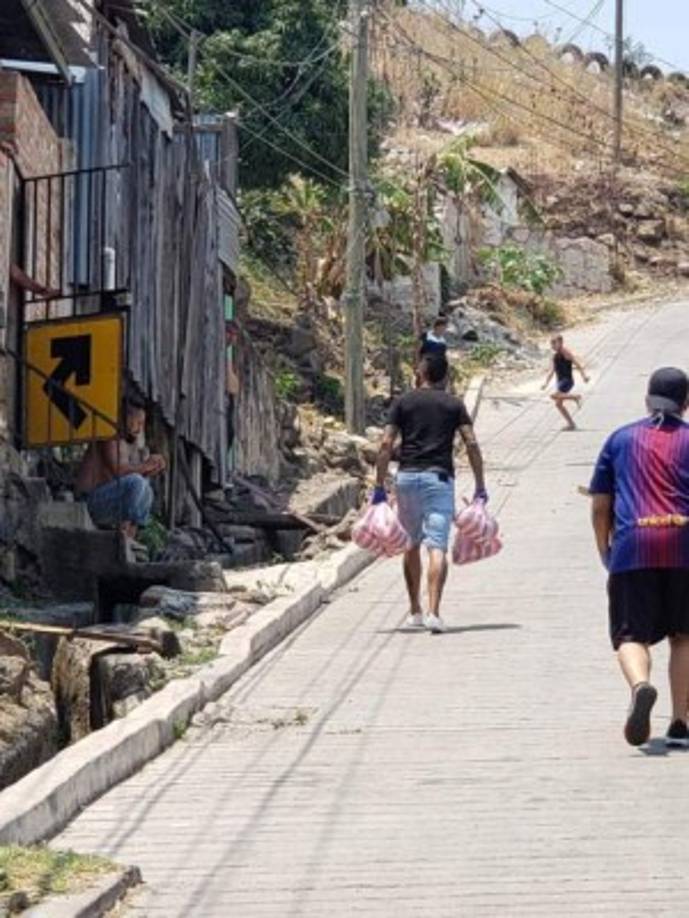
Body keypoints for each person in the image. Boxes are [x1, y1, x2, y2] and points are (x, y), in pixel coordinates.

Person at [589, 367, 689, 748]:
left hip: (633, 546)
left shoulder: (620, 439)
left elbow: (600, 504)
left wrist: (605, 548)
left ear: (647, 400)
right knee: (684, 636)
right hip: (684, 544)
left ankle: (641, 685)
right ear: (686, 403)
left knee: (631, 635)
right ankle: (680, 724)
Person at [374, 353, 487, 633]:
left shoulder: (403, 402)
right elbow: (471, 443)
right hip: (439, 480)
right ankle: (434, 613)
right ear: (445, 377)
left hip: (407, 478)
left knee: (411, 544)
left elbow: (386, 443)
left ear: (420, 374)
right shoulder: (454, 404)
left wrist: (378, 486)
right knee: (437, 546)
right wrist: (480, 485)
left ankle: (414, 611)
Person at [76, 399, 166, 539]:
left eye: (142, 423)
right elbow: (119, 471)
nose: (140, 428)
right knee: (137, 482)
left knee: (146, 486)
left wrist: (151, 468)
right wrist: (145, 465)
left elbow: (132, 473)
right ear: (127, 418)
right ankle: (123, 533)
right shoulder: (110, 434)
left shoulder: (128, 442)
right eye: (138, 422)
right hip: (89, 500)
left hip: (108, 499)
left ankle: (130, 537)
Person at [541, 334, 589, 431]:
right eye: (551, 344)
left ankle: (576, 397)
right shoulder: (555, 356)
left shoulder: (565, 352)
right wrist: (546, 383)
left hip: (567, 380)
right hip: (560, 381)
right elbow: (552, 371)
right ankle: (571, 424)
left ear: (561, 343)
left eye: (555, 343)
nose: (552, 346)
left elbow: (577, 363)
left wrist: (584, 376)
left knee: (553, 396)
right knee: (558, 404)